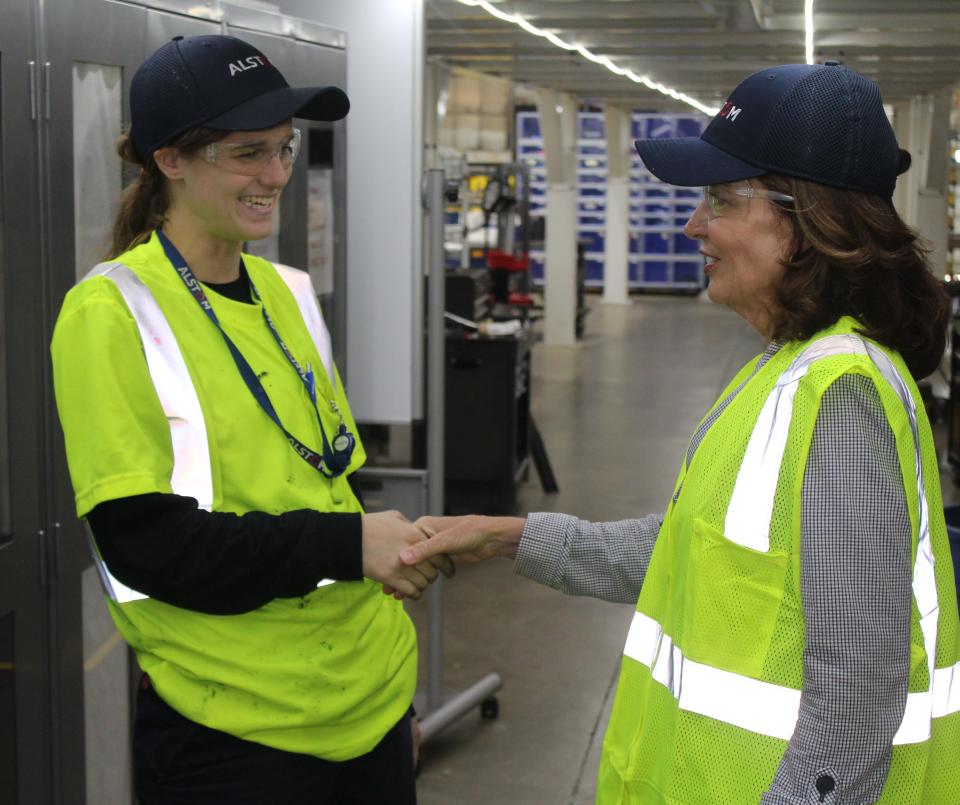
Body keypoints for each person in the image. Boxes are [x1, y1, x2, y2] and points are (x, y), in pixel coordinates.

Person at [402, 62, 960, 804]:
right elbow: (694, 555)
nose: (695, 223)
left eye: (720, 199)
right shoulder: (786, 368)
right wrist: (511, 535)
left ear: (808, 222)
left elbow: (856, 705)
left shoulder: (842, 397)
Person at [51, 34, 450, 805]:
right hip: (235, 729)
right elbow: (147, 546)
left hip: (364, 699)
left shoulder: (287, 293)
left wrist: (389, 702)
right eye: (246, 154)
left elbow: (326, 482)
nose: (275, 175)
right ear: (170, 160)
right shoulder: (110, 313)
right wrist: (350, 544)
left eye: (284, 149)